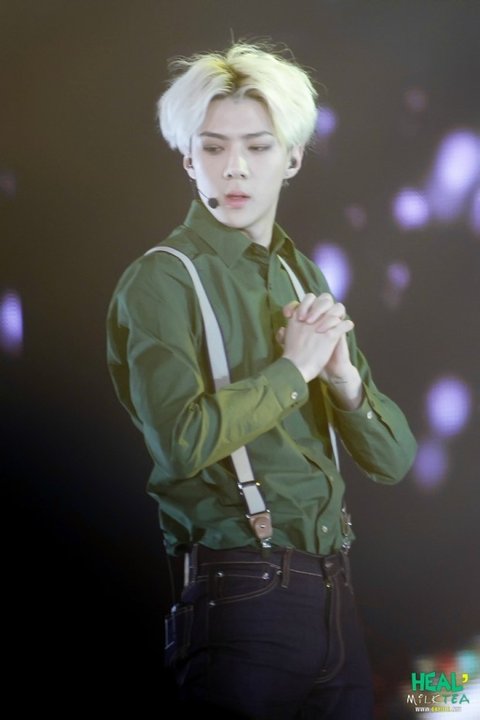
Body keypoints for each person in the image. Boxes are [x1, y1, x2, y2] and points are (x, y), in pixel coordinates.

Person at [106, 41, 417, 719]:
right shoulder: (162, 279)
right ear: (189, 160)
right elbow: (181, 443)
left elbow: (394, 461)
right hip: (240, 596)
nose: (236, 167)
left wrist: (343, 380)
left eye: (258, 146)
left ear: (293, 158)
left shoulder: (303, 276)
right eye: (213, 147)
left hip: (337, 598)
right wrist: (293, 370)